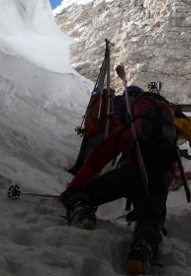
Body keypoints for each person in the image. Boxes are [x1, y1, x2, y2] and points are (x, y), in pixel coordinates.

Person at [59, 86, 178, 275]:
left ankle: (83, 211)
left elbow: (96, 160)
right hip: (157, 181)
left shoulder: (130, 129)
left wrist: (74, 187)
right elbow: (172, 172)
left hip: (130, 174)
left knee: (79, 193)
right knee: (150, 222)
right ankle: (142, 251)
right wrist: (143, 206)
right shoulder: (168, 135)